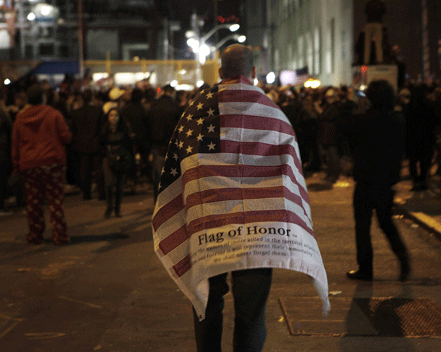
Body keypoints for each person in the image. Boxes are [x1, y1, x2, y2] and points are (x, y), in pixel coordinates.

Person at [151, 44, 329, 352]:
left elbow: (179, 167)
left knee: (207, 305)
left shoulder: (195, 112)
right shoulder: (274, 114)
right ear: (255, 73)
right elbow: (291, 173)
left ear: (220, 72)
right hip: (262, 233)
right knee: (250, 317)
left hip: (209, 226)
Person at [346, 79, 410, 281]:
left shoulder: (363, 121)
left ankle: (366, 268)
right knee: (386, 222)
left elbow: (348, 133)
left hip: (365, 179)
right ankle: (403, 259)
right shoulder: (398, 120)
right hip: (386, 180)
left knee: (362, 226)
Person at [11, 85, 73, 245]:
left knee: (33, 202)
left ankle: (35, 234)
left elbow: (15, 144)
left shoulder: (20, 118)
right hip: (52, 162)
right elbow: (66, 137)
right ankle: (59, 235)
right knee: (55, 201)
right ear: (43, 97)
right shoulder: (53, 114)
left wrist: (17, 165)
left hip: (29, 164)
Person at [69, 89, 105, 200]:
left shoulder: (76, 113)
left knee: (85, 171)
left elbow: (73, 130)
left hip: (82, 145)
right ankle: (101, 193)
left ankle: (86, 194)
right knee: (98, 170)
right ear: (92, 98)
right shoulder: (98, 111)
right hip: (95, 144)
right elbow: (102, 129)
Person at [148, 84, 182, 201]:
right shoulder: (175, 106)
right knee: (171, 174)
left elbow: (148, 125)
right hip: (171, 144)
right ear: (172, 92)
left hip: (156, 144)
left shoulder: (154, 106)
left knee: (158, 175)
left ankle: (157, 199)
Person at [101, 108, 133, 218]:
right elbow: (101, 144)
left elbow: (129, 144)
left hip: (122, 159)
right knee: (109, 184)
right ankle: (109, 207)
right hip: (108, 159)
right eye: (111, 115)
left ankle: (117, 209)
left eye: (116, 115)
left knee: (119, 186)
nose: (113, 118)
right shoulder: (104, 130)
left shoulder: (124, 130)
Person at [406, 84, 437, 191]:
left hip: (412, 137)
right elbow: (434, 121)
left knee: (413, 161)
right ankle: (423, 181)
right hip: (426, 137)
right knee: (425, 161)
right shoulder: (429, 105)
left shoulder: (409, 107)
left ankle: (415, 182)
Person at [363, 0, 386, 65]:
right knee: (378, 43)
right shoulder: (380, 3)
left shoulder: (368, 3)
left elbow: (366, 11)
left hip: (369, 23)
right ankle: (379, 60)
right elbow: (384, 11)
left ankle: (366, 61)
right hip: (378, 23)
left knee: (367, 44)